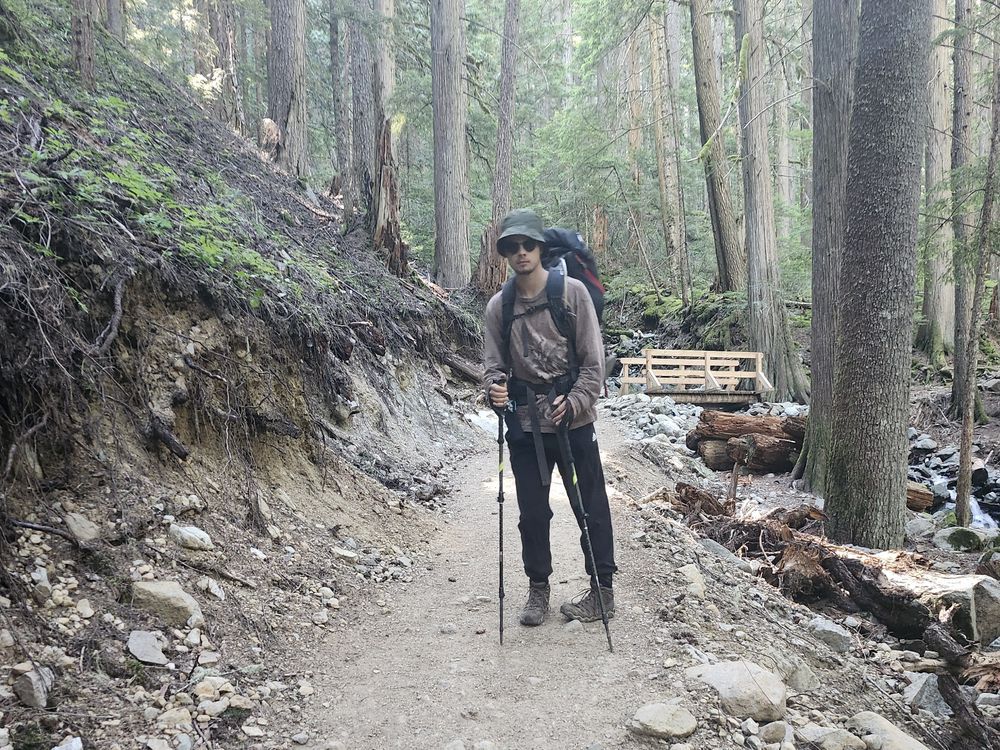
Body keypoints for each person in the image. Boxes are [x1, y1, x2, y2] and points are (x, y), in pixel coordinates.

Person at [482, 208, 617, 627]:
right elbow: (492, 368)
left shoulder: (572, 294)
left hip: (574, 424)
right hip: (525, 427)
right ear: (505, 253)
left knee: (590, 506)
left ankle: (603, 591)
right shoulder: (499, 307)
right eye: (512, 247)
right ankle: (538, 588)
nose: (521, 253)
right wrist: (495, 390)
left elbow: (594, 365)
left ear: (541, 248)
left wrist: (574, 402)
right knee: (532, 514)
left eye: (528, 244)